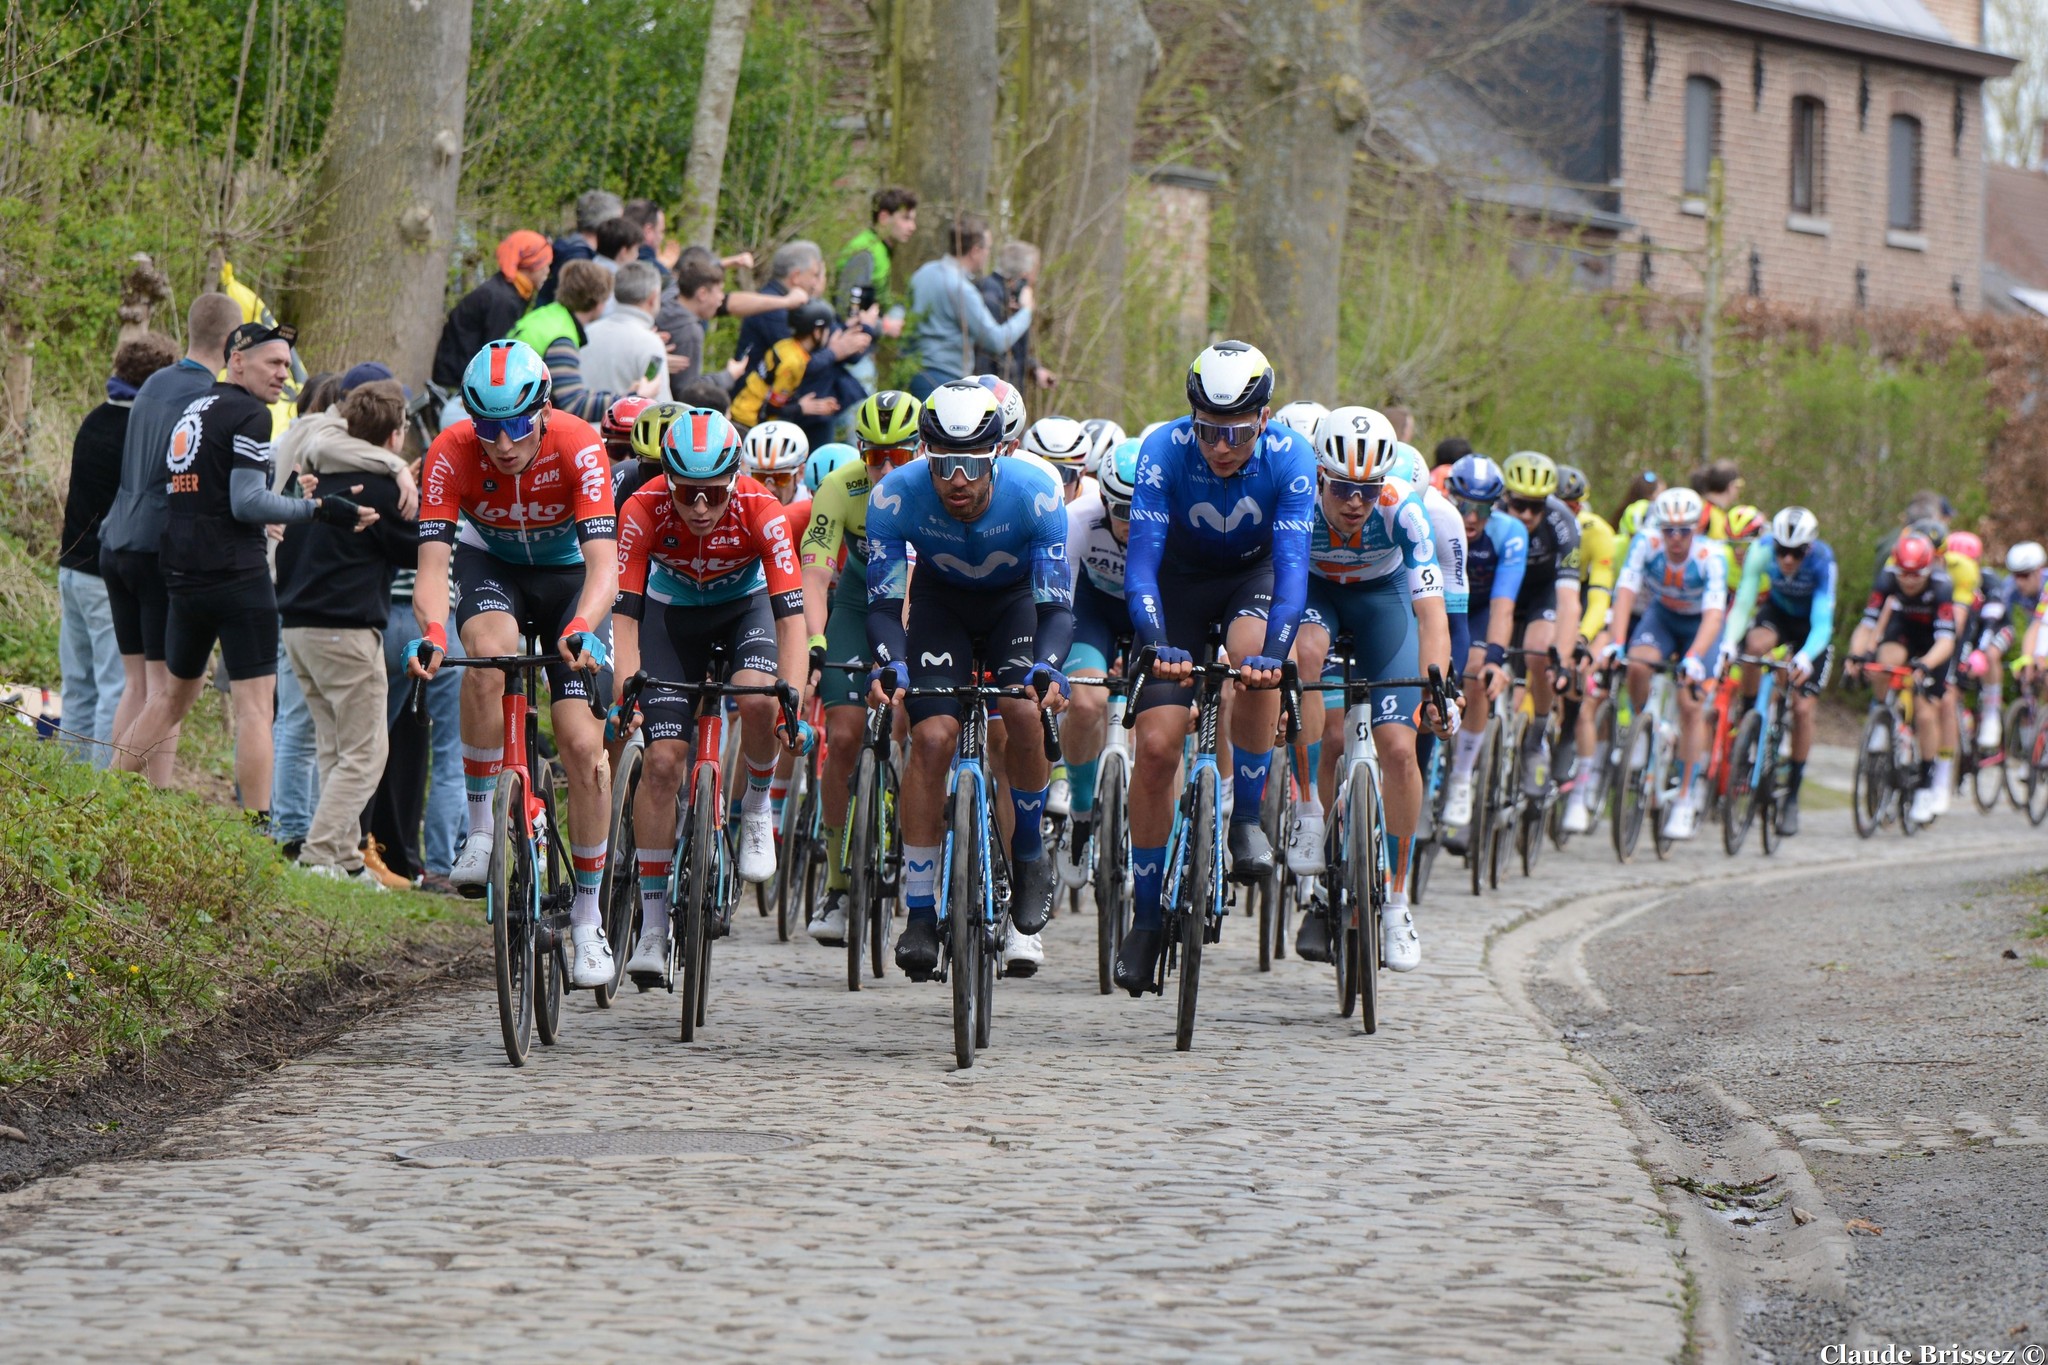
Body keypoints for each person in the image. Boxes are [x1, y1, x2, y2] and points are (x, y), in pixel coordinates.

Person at [406, 339, 620, 987]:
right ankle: (477, 832)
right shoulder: (449, 451)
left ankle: (587, 918)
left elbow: (606, 566)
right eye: (486, 425)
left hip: (568, 581)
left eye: (517, 425)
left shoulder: (580, 444)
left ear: (544, 410)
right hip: (492, 567)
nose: (501, 442)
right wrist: (436, 631)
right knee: (487, 656)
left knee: (583, 746)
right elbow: (433, 567)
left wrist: (582, 623)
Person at [114, 322, 378, 819]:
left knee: (169, 700)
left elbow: (215, 491)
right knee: (257, 708)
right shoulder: (251, 415)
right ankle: (257, 834)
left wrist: (292, 498)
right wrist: (322, 510)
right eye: (273, 364)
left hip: (184, 576)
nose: (283, 375)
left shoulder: (196, 407)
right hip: (236, 578)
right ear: (238, 359)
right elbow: (245, 502)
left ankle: (104, 795)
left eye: (286, 365)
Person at [1113, 342, 1314, 995]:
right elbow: (1140, 565)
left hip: (1251, 582)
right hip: (1174, 587)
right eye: (1207, 429)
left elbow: (1291, 576)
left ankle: (1246, 818)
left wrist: (1273, 659)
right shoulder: (1163, 450)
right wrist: (1153, 639)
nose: (1220, 446)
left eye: (1234, 431)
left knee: (1257, 660)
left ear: (1264, 417)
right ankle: (1145, 918)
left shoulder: (1291, 458)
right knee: (1155, 749)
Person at [862, 381, 1070, 980]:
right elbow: (882, 605)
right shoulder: (894, 496)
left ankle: (1028, 855)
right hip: (940, 607)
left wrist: (1048, 666)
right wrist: (890, 660)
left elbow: (1056, 609)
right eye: (943, 463)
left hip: (1016, 607)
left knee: (1026, 711)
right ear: (924, 453)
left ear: (998, 455)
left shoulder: (1038, 493)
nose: (957, 480)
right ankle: (921, 910)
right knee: (929, 739)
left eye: (972, 465)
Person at [614, 409, 813, 981]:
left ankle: (754, 805)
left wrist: (791, 699)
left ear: (735, 481)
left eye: (713, 495)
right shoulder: (642, 508)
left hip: (742, 611)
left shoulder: (762, 510)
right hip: (670, 618)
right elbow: (625, 616)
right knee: (661, 764)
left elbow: (790, 618)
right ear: (667, 482)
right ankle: (652, 928)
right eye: (686, 494)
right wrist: (628, 692)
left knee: (758, 699)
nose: (699, 508)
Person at [1285, 407, 1453, 974]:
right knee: (1305, 657)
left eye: (1367, 489)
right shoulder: (1297, 495)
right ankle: (1309, 808)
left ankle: (1398, 901)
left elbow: (1432, 615)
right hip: (1315, 595)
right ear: (1320, 476)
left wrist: (1436, 689)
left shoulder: (1403, 509)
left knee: (1401, 750)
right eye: (1343, 488)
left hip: (1384, 603)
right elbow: (1273, 590)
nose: (1355, 501)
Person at [276, 380, 420, 884]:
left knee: (335, 747)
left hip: (297, 627)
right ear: (395, 434)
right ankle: (319, 854)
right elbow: (414, 548)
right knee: (366, 752)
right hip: (344, 629)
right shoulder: (382, 488)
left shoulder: (318, 475)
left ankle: (343, 857)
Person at [99, 293, 244, 785]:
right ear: (231, 343)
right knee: (167, 692)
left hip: (116, 539)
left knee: (136, 684)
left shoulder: (152, 383)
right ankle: (149, 804)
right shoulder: (207, 397)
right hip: (159, 548)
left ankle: (115, 799)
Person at [798, 389, 921, 945]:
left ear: (921, 451)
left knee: (921, 727)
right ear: (861, 452)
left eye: (900, 457)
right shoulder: (840, 487)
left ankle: (919, 847)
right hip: (856, 605)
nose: (886, 468)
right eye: (876, 457)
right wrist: (818, 642)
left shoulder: (936, 489)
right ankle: (840, 883)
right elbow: (816, 576)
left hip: (924, 609)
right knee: (843, 736)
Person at [59, 333, 177, 765]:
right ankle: (94, 791)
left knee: (78, 687)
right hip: (104, 575)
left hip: (71, 566)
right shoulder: (139, 431)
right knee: (118, 687)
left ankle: (64, 781)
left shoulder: (95, 417)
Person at [1604, 486, 1728, 841]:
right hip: (1662, 617)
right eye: (1668, 530)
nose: (1675, 538)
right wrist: (1616, 641)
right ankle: (1645, 729)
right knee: (1638, 664)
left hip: (1699, 626)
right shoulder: (1646, 541)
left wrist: (1693, 658)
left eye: (1683, 531)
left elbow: (1715, 616)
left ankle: (1686, 796)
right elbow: (1626, 590)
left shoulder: (1711, 556)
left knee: (1691, 705)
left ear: (1696, 528)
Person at [1052, 436, 1138, 909]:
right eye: (1120, 510)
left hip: (1154, 614)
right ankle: (1081, 814)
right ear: (1102, 499)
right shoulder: (1078, 518)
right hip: (1094, 610)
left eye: (1139, 510)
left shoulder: (1172, 522)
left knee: (1158, 718)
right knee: (1086, 701)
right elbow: (1058, 597)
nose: (1129, 522)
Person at [1720, 506, 1836, 836]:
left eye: (1795, 553)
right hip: (1779, 615)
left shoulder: (1822, 561)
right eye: (1782, 551)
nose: (1786, 560)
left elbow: (1824, 622)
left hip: (1811, 629)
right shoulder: (1761, 550)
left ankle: (1793, 796)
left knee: (1802, 709)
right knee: (1753, 648)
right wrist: (1730, 642)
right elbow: (1744, 603)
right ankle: (1749, 718)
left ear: (1808, 548)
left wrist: (1805, 656)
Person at [1440, 454, 1525, 837]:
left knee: (1474, 675)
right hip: (1437, 605)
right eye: (1464, 505)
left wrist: (1495, 657)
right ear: (1450, 497)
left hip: (1479, 612)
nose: (1472, 517)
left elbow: (1504, 605)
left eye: (1483, 508)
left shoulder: (1510, 533)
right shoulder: (1434, 518)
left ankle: (1461, 776)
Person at [1497, 452, 1582, 796]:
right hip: (1500, 591)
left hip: (1541, 595)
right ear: (1506, 498)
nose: (1528, 514)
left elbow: (1569, 601)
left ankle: (1537, 737)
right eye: (1520, 505)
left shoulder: (1563, 522)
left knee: (1538, 653)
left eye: (1537, 506)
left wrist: (1560, 660)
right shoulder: (1491, 516)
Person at [904, 215, 1034, 398]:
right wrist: (1026, 311)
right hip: (944, 381)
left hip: (910, 373)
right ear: (975, 251)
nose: (988, 253)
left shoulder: (924, 272)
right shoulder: (962, 290)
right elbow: (996, 340)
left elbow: (902, 313)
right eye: (988, 248)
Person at [431, 230, 551, 390]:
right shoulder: (503, 300)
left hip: (458, 380)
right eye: (545, 265)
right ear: (531, 265)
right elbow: (497, 357)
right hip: (457, 388)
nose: (547, 271)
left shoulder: (509, 291)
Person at [1967, 541, 2045, 749]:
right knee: (2028, 676)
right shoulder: (2009, 588)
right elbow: (2004, 622)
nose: (2019, 582)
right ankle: (2031, 746)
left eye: (2025, 575)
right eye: (2015, 575)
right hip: (2037, 630)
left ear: (2039, 571)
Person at [729, 299, 838, 430]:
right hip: (750, 420)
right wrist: (801, 408)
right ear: (816, 332)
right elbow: (772, 407)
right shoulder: (794, 363)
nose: (828, 334)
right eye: (826, 330)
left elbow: (774, 389)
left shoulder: (785, 345)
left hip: (741, 406)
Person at [580, 261, 672, 403]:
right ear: (653, 298)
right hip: (623, 424)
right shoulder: (650, 343)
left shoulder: (586, 332)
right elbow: (661, 407)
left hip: (580, 422)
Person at [973, 240, 1056, 392]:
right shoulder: (990, 292)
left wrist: (1035, 368)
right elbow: (992, 344)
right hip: (989, 394)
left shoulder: (1010, 296)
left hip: (1001, 393)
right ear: (1023, 273)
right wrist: (1027, 311)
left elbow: (1012, 347)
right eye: (1034, 272)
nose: (1034, 279)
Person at [540, 189, 624, 306]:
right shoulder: (579, 260)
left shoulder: (567, 247)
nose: (624, 228)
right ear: (606, 224)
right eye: (619, 223)